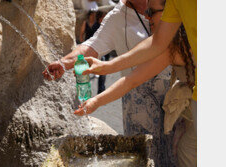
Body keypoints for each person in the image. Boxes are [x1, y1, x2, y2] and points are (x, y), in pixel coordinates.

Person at [43, 0, 176, 166]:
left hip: (175, 98)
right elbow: (91, 46)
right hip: (137, 102)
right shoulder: (118, 16)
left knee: (177, 155)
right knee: (145, 156)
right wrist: (64, 63)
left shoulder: (172, 5)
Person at [74, 0, 197, 166]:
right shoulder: (173, 48)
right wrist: (97, 97)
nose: (146, 16)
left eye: (151, 11)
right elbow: (132, 79)